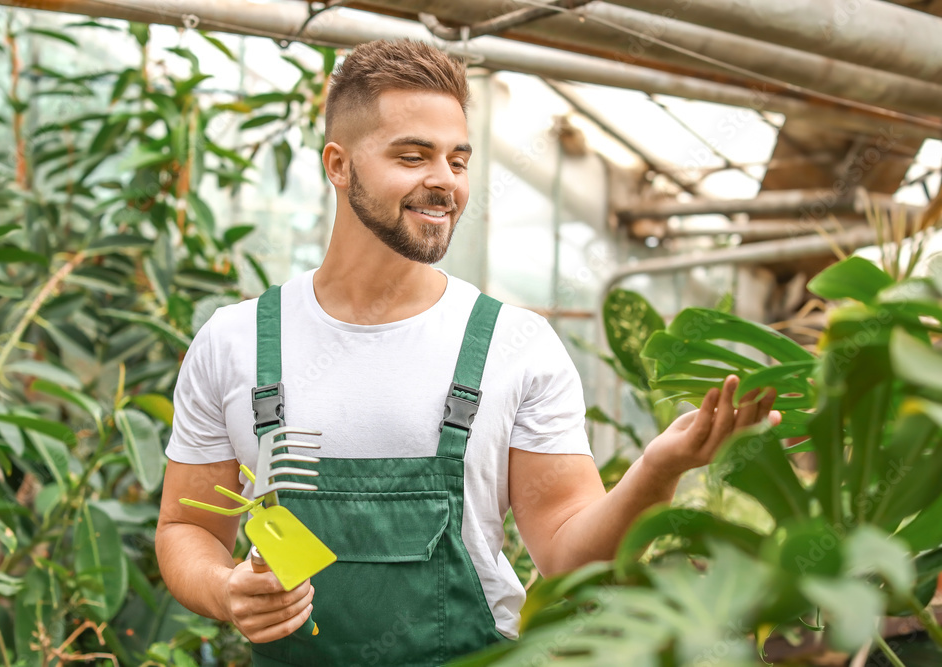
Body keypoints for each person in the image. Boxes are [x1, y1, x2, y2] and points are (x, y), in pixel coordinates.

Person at [155, 38, 780, 666]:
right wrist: (225, 588)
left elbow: (569, 555)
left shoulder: (515, 345)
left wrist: (658, 469)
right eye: (413, 156)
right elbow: (187, 529)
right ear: (338, 165)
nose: (444, 182)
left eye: (458, 160)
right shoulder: (236, 342)